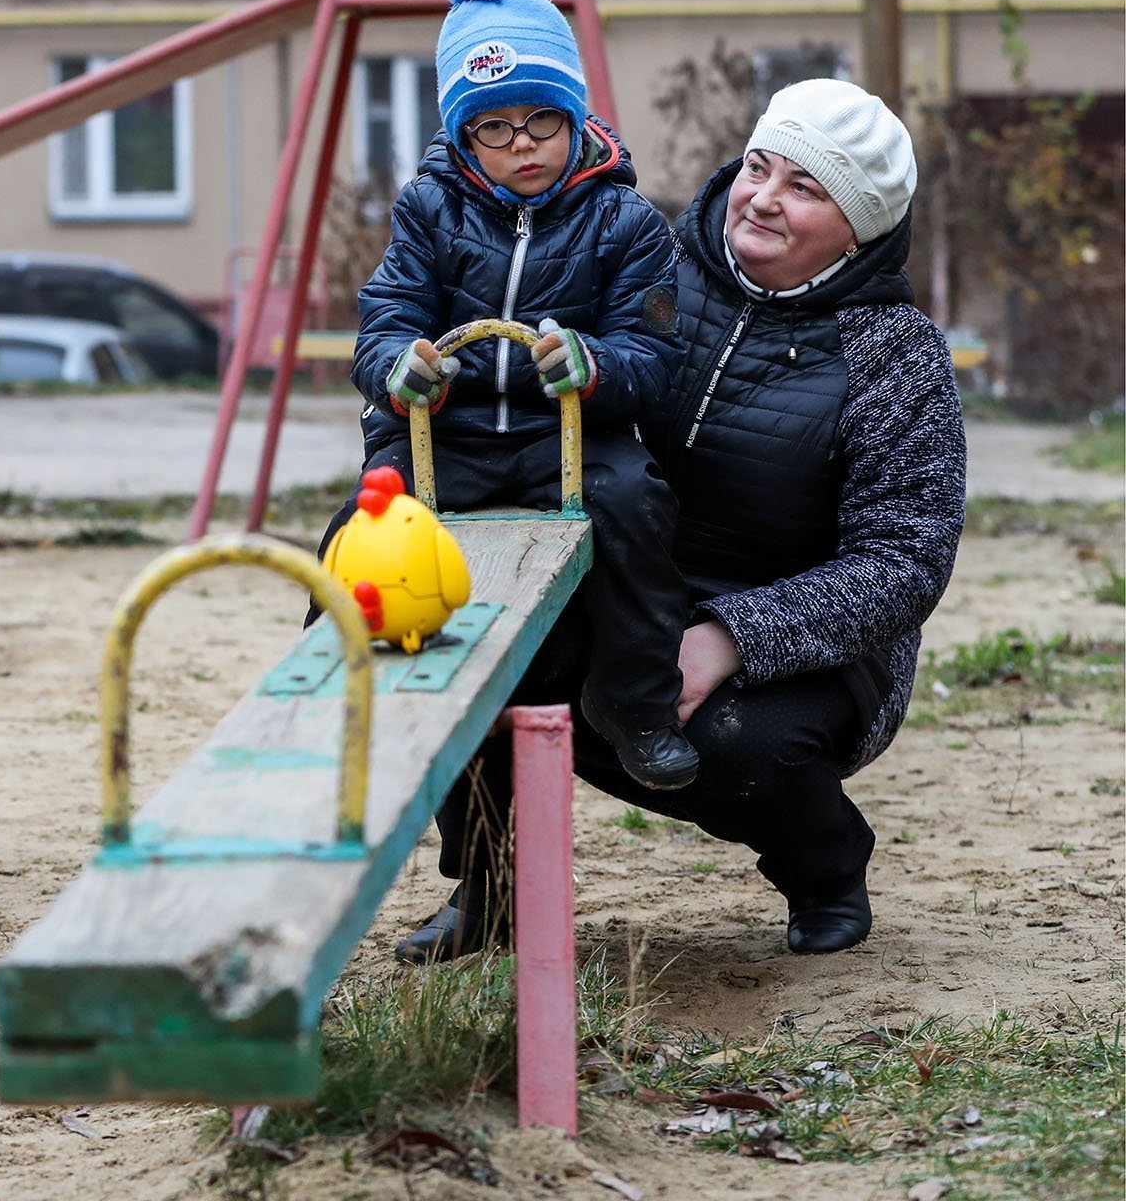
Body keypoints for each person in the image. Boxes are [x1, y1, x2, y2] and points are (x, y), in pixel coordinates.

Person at [398, 76, 968, 962]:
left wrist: (728, 637)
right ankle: (491, 883)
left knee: (738, 745)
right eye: (760, 168)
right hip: (626, 583)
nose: (765, 200)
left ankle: (824, 862)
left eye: (806, 189)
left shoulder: (896, 355)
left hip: (795, 641)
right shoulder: (646, 261)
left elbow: (905, 563)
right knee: (480, 650)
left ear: (862, 227)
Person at [327, 0, 700, 791]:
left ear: (576, 118)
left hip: (561, 437)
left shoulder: (625, 221)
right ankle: (341, 691)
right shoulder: (428, 208)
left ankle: (635, 699)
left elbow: (655, 357)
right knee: (361, 527)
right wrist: (398, 365)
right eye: (494, 127)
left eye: (543, 120)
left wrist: (592, 364)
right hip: (448, 438)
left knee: (635, 501)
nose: (521, 144)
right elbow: (385, 319)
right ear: (463, 137)